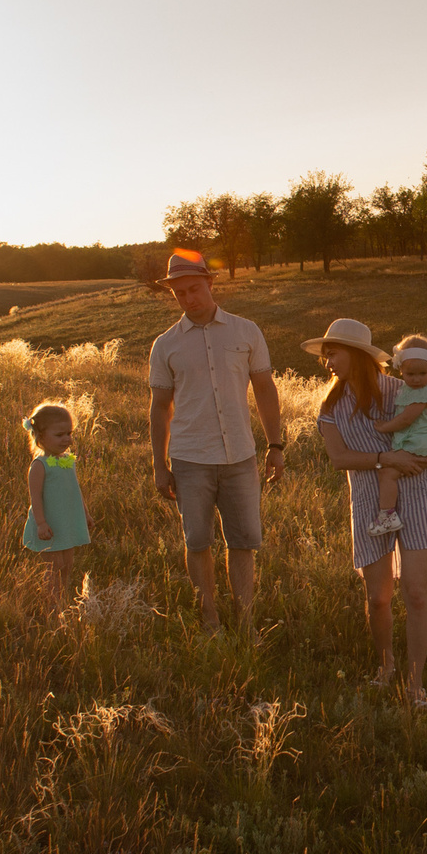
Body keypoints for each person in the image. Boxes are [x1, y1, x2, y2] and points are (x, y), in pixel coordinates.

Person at [145, 249, 286, 634]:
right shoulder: (166, 344)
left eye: (194, 289)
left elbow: (264, 389)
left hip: (240, 456)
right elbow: (160, 408)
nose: (189, 299)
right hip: (190, 459)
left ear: (210, 283)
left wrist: (276, 446)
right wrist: (159, 465)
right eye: (180, 293)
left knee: (242, 542)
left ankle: (246, 622)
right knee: (198, 543)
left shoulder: (245, 331)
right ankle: (210, 621)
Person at [304, 318, 427, 706]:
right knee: (378, 597)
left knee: (416, 593)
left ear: (359, 354)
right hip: (369, 499)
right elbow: (338, 458)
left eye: (333, 352)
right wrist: (386, 458)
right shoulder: (331, 405)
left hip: (415, 493)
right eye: (325, 354)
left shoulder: (402, 388)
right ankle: (386, 668)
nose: (327, 360)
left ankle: (415, 685)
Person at [366, 334, 427, 537]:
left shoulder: (423, 393)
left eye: (423, 373)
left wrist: (385, 427)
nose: (417, 379)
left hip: (422, 445)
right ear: (401, 370)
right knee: (418, 467)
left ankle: (387, 515)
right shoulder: (411, 390)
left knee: (387, 473)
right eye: (411, 374)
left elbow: (405, 420)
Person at [20, 400, 89, 607]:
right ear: (40, 436)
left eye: (69, 434)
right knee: (54, 566)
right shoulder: (39, 466)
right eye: (59, 435)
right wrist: (40, 523)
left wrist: (85, 514)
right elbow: (35, 497)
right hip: (49, 524)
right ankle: (52, 606)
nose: (67, 439)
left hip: (66, 521)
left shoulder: (67, 460)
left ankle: (62, 601)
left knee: (67, 564)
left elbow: (75, 490)